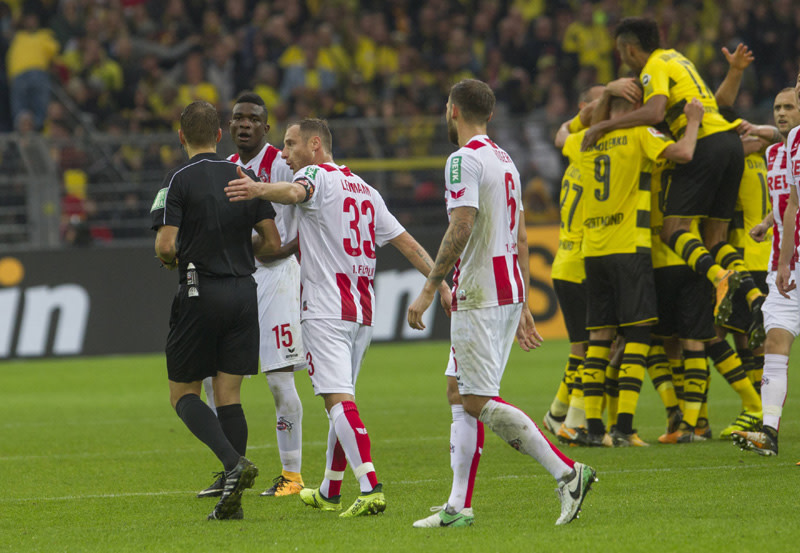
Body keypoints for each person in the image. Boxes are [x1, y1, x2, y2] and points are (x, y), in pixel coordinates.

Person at [225, 118, 451, 517]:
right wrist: (439, 283)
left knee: (337, 400)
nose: (284, 153)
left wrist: (258, 188)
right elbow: (408, 244)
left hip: (325, 309)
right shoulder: (366, 189)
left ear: (315, 145)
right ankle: (330, 488)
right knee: (341, 399)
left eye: (291, 144)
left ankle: (370, 487)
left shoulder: (315, 175)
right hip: (362, 311)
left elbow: (296, 191)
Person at [407, 79, 595, 528]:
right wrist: (524, 300)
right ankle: (458, 506)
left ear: (452, 110)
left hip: (480, 293)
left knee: (475, 400)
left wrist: (432, 285)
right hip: (506, 289)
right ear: (489, 114)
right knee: (458, 392)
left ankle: (568, 473)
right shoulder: (505, 160)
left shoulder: (463, 160)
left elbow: (461, 225)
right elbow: (523, 236)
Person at [582, 18, 761, 331]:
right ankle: (755, 295)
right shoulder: (678, 58)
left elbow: (654, 112)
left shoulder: (653, 66)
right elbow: (710, 105)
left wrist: (603, 124)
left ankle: (721, 278)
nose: (622, 59)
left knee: (673, 229)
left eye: (621, 53)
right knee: (714, 238)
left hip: (703, 143)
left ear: (628, 49)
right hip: (729, 143)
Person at [151, 100, 282, 520]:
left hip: (200, 292)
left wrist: (174, 260)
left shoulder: (178, 179)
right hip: (245, 292)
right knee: (229, 394)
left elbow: (165, 246)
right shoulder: (246, 176)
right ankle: (232, 502)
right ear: (220, 134)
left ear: (181, 135)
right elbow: (272, 241)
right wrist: (243, 249)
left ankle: (232, 463)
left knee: (183, 393)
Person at [567, 81, 704, 446]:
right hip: (630, 248)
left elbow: (561, 133)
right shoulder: (640, 134)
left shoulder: (584, 140)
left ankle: (593, 429)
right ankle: (624, 427)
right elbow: (686, 152)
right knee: (639, 334)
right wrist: (693, 120)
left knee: (598, 339)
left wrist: (606, 94)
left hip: (594, 253)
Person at [197, 92, 306, 499]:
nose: (245, 124)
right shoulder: (223, 169)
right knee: (214, 380)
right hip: (237, 278)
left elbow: (292, 222)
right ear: (229, 126)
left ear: (266, 126)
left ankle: (292, 477)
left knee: (279, 382)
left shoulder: (283, 163)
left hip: (277, 279)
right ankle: (230, 467)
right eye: (238, 118)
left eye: (253, 119)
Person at [737, 81, 800, 456]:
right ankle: (768, 432)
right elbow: (787, 205)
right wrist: (767, 223)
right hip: (785, 267)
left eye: (788, 107)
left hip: (786, 262)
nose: (780, 112)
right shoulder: (780, 151)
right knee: (775, 343)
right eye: (777, 106)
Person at [542, 84, 605, 446]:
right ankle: (575, 421)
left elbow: (561, 133)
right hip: (583, 261)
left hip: (566, 261)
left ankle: (557, 413)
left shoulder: (574, 156)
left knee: (582, 347)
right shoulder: (592, 155)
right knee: (598, 346)